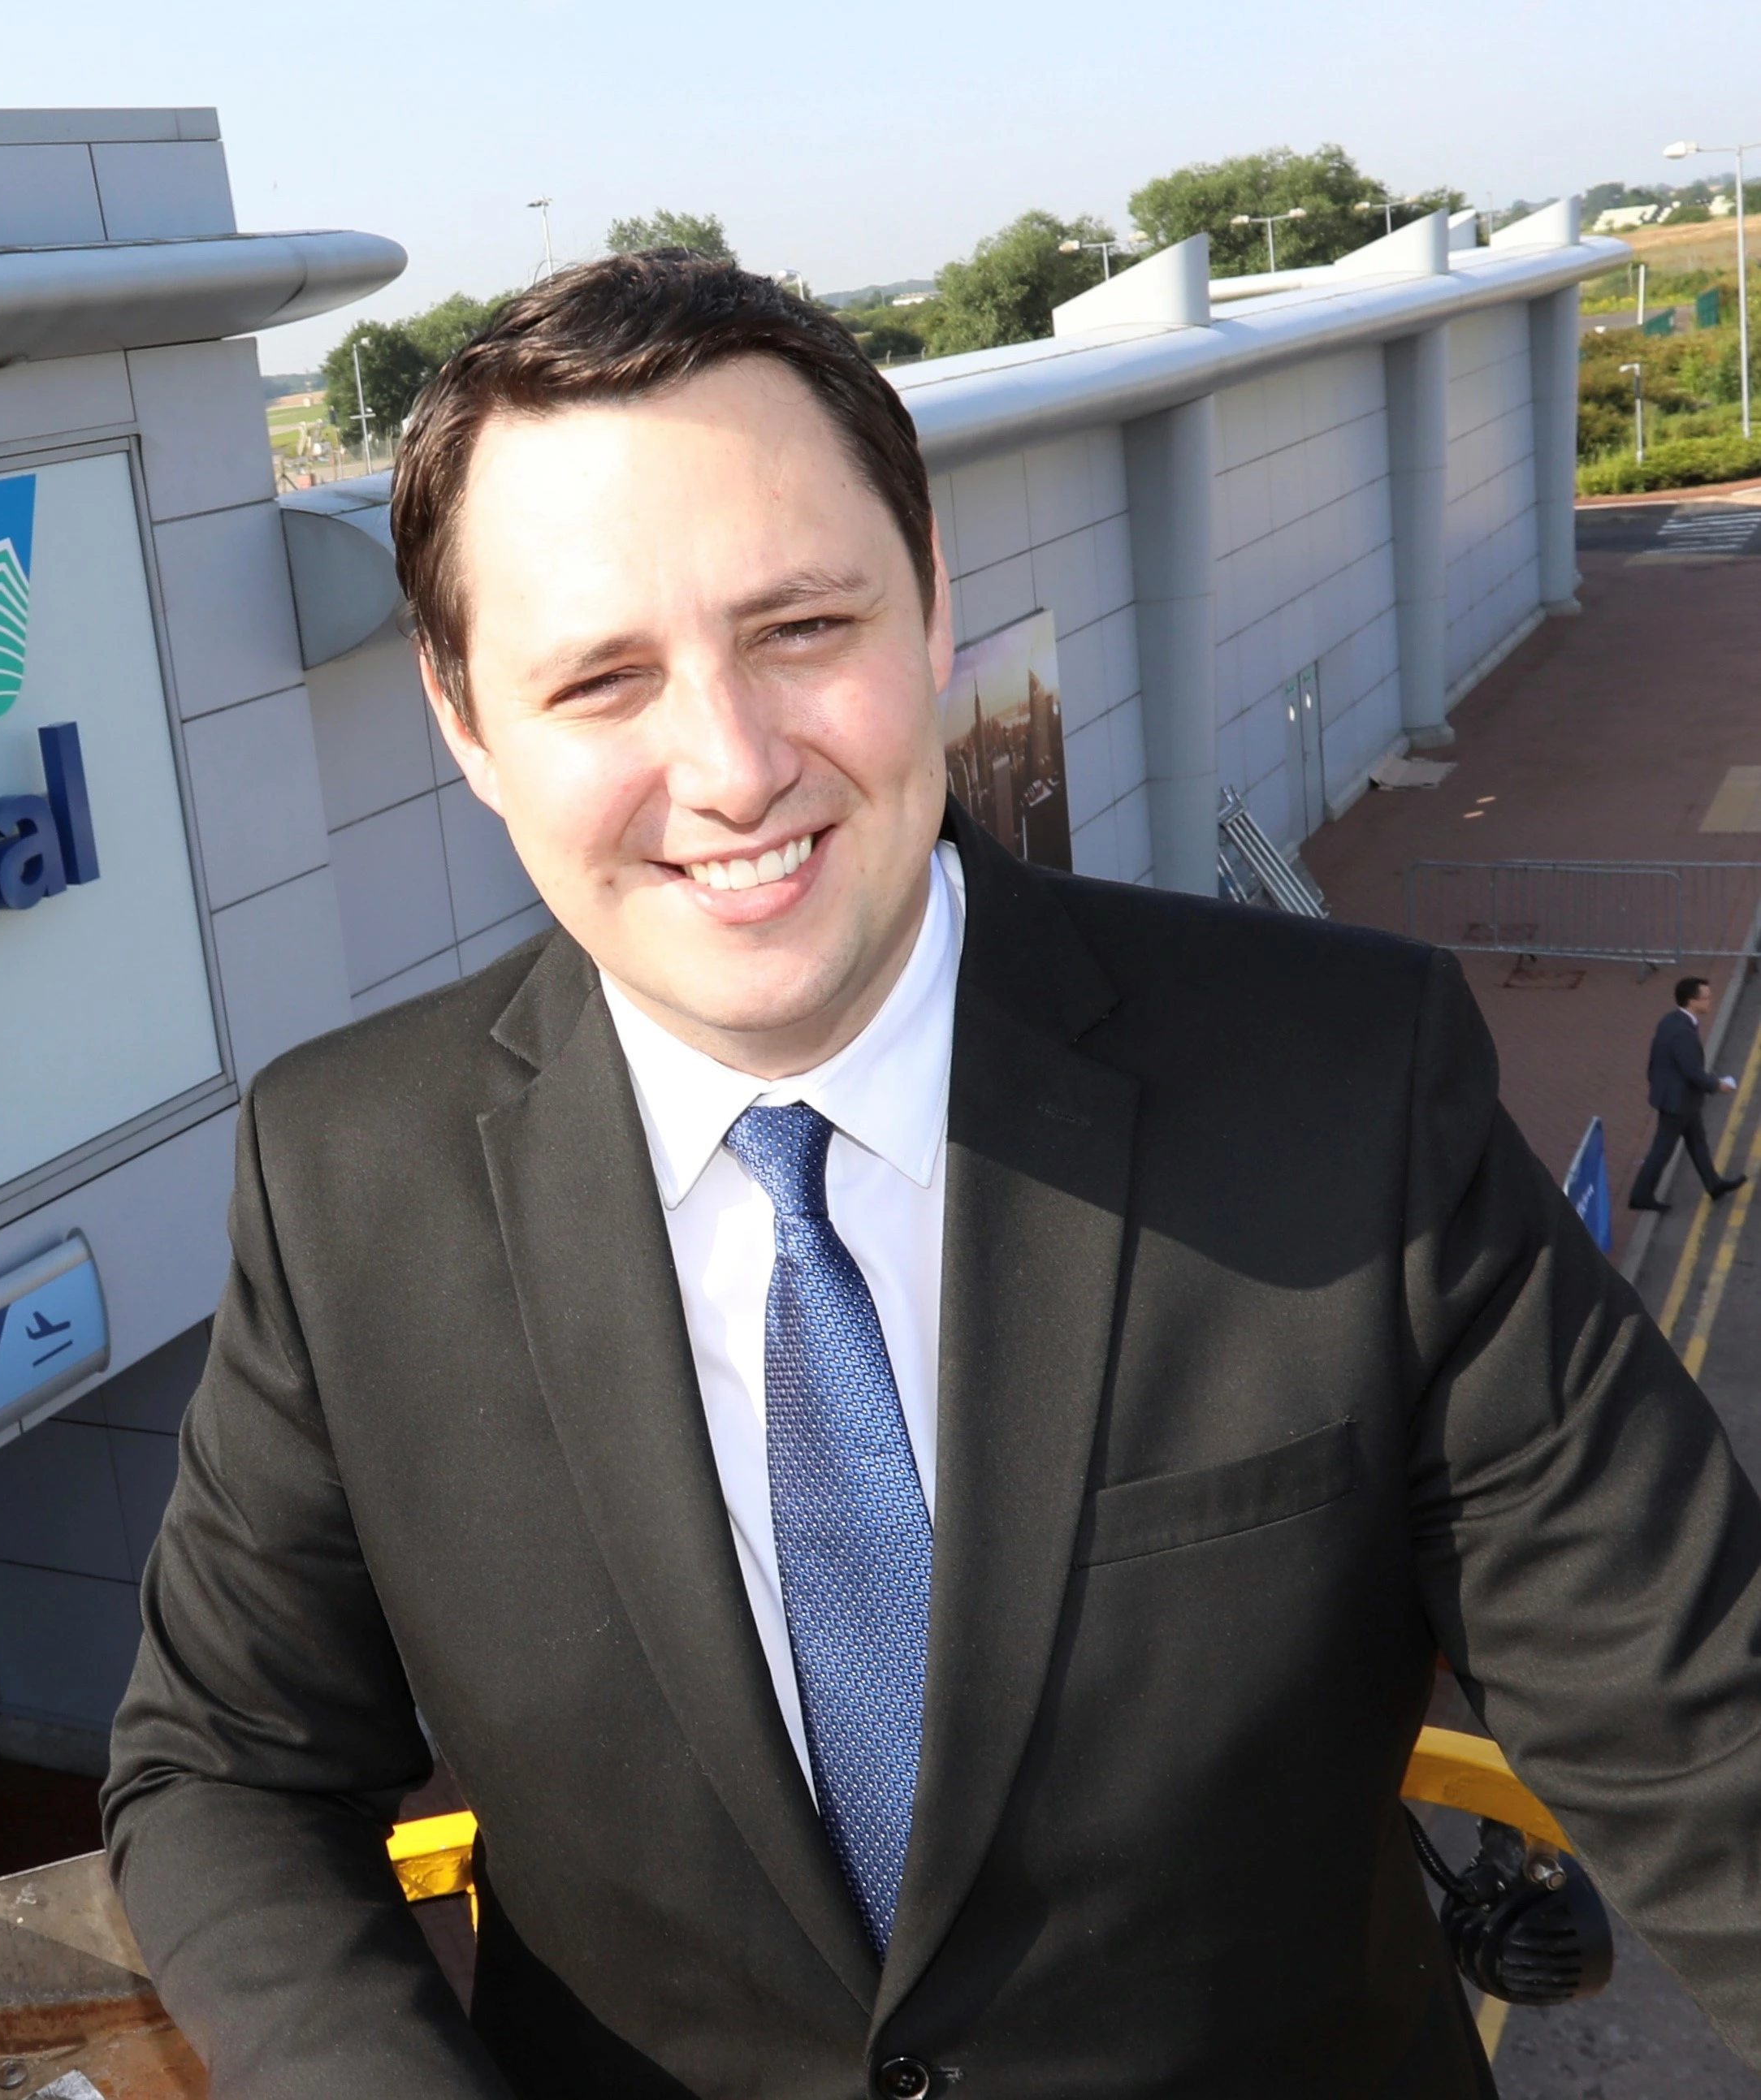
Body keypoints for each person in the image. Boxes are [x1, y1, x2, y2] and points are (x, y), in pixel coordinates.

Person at [101, 253, 1761, 2098]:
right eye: (598, 678)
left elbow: (1702, 1725)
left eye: (799, 627)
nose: (727, 768)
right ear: (464, 721)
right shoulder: (347, 1180)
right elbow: (219, 1768)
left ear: (928, 605)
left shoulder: (1335, 1085)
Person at [1627, 972, 1745, 1212]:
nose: (1711, 1000)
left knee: (1697, 1142)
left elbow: (1658, 1062)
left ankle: (1714, 1185)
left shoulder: (1671, 1020)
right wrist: (1717, 1085)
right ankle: (1640, 1196)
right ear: (1692, 1001)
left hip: (1681, 1098)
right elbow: (1691, 1071)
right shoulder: (1682, 1032)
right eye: (1706, 997)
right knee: (1662, 1150)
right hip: (1678, 1102)